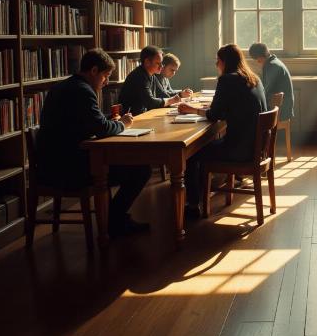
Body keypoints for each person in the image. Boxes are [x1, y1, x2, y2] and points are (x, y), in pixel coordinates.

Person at [36, 48, 151, 238]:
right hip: (69, 167)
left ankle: (113, 218)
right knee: (141, 170)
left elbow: (86, 121)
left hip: (53, 160)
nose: (106, 82)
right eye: (106, 76)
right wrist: (121, 124)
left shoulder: (65, 86)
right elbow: (101, 129)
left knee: (132, 167)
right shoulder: (83, 91)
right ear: (94, 71)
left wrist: (109, 121)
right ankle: (114, 221)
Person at [180, 44, 267, 216]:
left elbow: (214, 115)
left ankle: (193, 205)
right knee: (207, 146)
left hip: (239, 151)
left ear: (224, 61)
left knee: (191, 154)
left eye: (217, 60)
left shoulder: (227, 80)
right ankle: (200, 195)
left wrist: (193, 109)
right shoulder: (253, 78)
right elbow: (236, 106)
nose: (216, 64)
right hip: (256, 146)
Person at [119, 45, 181, 115]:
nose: (161, 66)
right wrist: (170, 101)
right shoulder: (139, 76)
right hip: (132, 118)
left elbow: (162, 94)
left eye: (162, 63)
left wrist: (178, 101)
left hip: (143, 115)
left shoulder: (151, 75)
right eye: (158, 63)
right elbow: (150, 102)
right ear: (147, 62)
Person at [248, 42, 294, 122]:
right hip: (281, 108)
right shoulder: (273, 63)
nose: (257, 62)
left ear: (259, 58)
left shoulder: (272, 66)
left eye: (256, 59)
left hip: (281, 111)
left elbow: (265, 92)